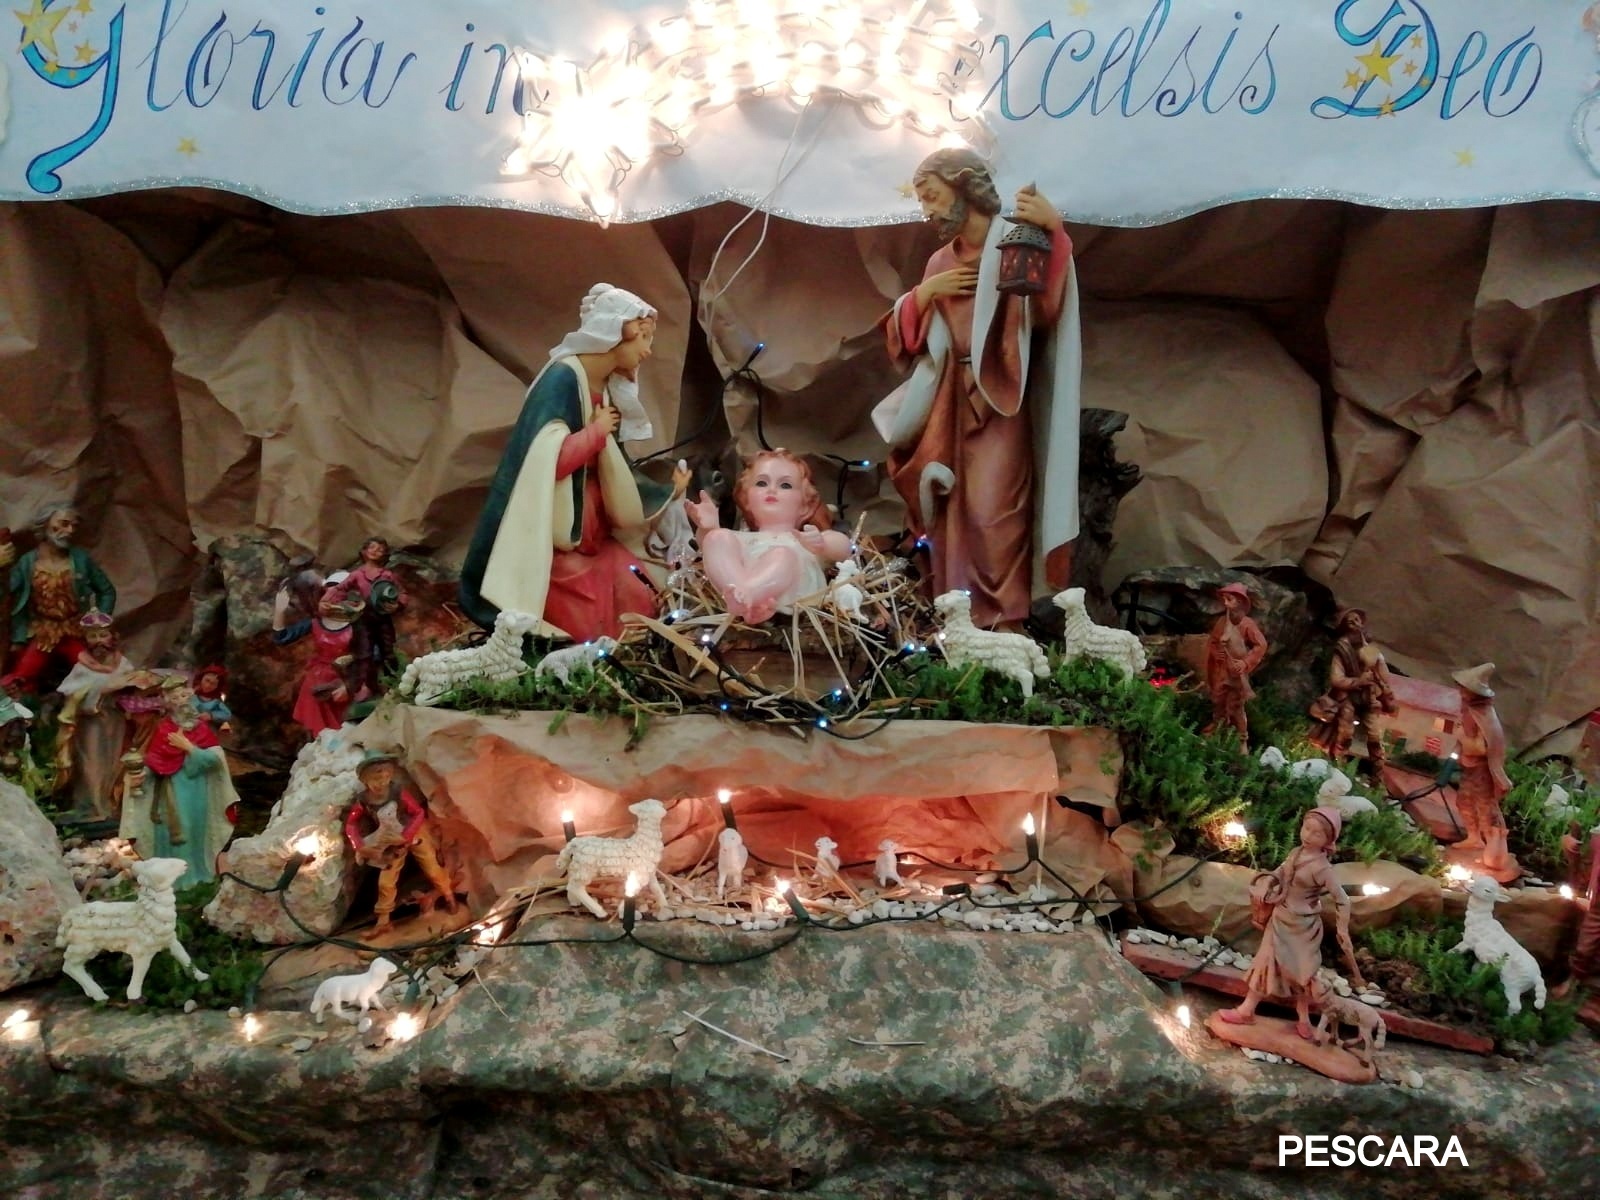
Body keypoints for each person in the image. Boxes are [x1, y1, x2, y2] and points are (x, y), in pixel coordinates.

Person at [874, 149, 1081, 628]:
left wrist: (1054, 232)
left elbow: (1044, 313)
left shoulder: (1015, 241)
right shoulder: (938, 262)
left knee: (995, 513)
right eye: (922, 200)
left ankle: (1004, 623)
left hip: (1000, 398)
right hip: (948, 398)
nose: (927, 210)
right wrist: (924, 296)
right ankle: (958, 620)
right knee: (952, 512)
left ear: (964, 185)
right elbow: (907, 343)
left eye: (932, 196)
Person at [460, 284, 690, 643]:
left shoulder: (605, 387)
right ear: (617, 333)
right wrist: (595, 433)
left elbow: (617, 468)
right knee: (588, 627)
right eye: (644, 338)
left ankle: (618, 654)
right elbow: (543, 461)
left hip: (595, 538)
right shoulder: (562, 380)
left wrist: (666, 491)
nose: (647, 351)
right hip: (557, 543)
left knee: (642, 594)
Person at [1218, 806, 1366, 1040]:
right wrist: (1266, 885)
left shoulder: (1322, 868)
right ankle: (1246, 1010)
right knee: (1265, 963)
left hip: (1303, 928)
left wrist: (1342, 928)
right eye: (1306, 828)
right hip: (1280, 918)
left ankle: (1304, 1017)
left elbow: (1342, 899)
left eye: (1317, 834)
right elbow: (1280, 873)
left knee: (1302, 973)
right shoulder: (1296, 853)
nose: (1308, 836)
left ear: (1328, 840)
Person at [686, 449, 852, 624]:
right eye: (761, 483)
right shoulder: (743, 539)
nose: (771, 490)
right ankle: (739, 597)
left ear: (805, 505)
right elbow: (710, 549)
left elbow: (844, 547)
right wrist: (708, 528)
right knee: (717, 538)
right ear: (746, 499)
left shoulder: (803, 540)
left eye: (785, 485)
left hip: (793, 607)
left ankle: (749, 596)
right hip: (737, 599)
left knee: (782, 555)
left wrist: (822, 543)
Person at [119, 677, 238, 885]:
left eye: (184, 696)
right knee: (169, 831)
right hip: (168, 791)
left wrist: (189, 748)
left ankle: (194, 877)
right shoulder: (164, 728)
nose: (181, 701)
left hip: (195, 791)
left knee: (189, 829)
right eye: (175, 698)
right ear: (168, 703)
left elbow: (215, 760)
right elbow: (156, 760)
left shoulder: (201, 729)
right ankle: (170, 880)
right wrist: (142, 775)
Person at [343, 750, 459, 934]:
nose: (381, 783)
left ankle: (448, 895)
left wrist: (407, 835)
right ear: (365, 780)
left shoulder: (398, 792)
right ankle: (383, 920)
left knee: (431, 867)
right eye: (376, 779)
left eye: (385, 777)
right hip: (389, 840)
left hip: (412, 833)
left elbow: (418, 813)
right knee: (386, 882)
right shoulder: (364, 800)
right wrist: (360, 845)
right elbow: (351, 823)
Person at [4, 504, 116, 693]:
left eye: (73, 526)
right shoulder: (27, 563)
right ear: (45, 525)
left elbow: (107, 591)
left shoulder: (80, 560)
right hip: (43, 632)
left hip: (73, 629)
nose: (70, 531)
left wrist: (98, 623)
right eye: (63, 524)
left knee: (93, 674)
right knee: (22, 675)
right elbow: (7, 591)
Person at [1308, 607, 1398, 775]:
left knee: (1375, 737)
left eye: (1357, 620)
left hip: (1369, 698)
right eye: (1351, 622)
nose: (1356, 624)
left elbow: (1384, 675)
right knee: (1345, 734)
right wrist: (1357, 681)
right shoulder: (1342, 649)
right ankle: (1338, 769)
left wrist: (1377, 659)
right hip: (1348, 698)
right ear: (1345, 627)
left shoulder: (1368, 647)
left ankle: (1378, 776)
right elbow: (1336, 678)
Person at [274, 577, 362, 738]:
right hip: (317, 681)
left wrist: (349, 685)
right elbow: (282, 637)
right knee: (318, 730)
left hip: (345, 680)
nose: (332, 595)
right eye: (328, 590)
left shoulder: (358, 626)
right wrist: (279, 610)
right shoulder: (315, 623)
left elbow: (370, 658)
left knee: (345, 729)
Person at [325, 537, 407, 698]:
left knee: (388, 652)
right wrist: (326, 601)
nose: (376, 551)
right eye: (372, 547)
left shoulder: (388, 575)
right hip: (363, 619)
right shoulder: (357, 575)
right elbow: (339, 589)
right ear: (364, 551)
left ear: (385, 555)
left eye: (381, 549)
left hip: (383, 618)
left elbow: (402, 593)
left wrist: (398, 604)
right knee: (364, 654)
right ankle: (368, 687)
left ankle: (395, 684)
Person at [1451, 663, 1512, 860]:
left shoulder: (1483, 714)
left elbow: (1482, 748)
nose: (1460, 691)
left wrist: (1462, 738)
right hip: (1469, 768)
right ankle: (1474, 838)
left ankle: (1493, 848)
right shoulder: (1470, 711)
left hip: (1481, 770)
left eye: (1464, 688)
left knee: (1485, 807)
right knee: (1464, 801)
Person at [1203, 582, 1268, 752]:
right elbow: (1213, 642)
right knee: (1218, 701)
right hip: (1221, 672)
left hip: (1236, 674)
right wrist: (1216, 652)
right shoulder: (1222, 622)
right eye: (1224, 599)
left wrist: (1245, 662)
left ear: (1239, 602)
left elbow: (1260, 645)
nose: (1225, 603)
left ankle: (1242, 740)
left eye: (1229, 599)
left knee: (1237, 707)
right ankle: (1218, 730)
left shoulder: (1247, 624)